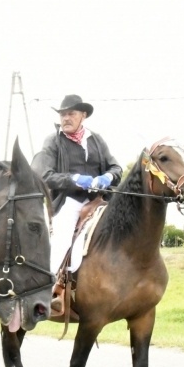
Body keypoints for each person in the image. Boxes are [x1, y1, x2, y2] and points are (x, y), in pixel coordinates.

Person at [31, 95, 122, 310]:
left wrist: (107, 178)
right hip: (68, 201)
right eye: (63, 114)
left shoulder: (97, 139)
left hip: (99, 201)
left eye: (71, 113)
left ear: (84, 115)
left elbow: (116, 168)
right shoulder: (53, 141)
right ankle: (47, 293)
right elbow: (43, 174)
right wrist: (74, 179)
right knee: (62, 241)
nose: (66, 118)